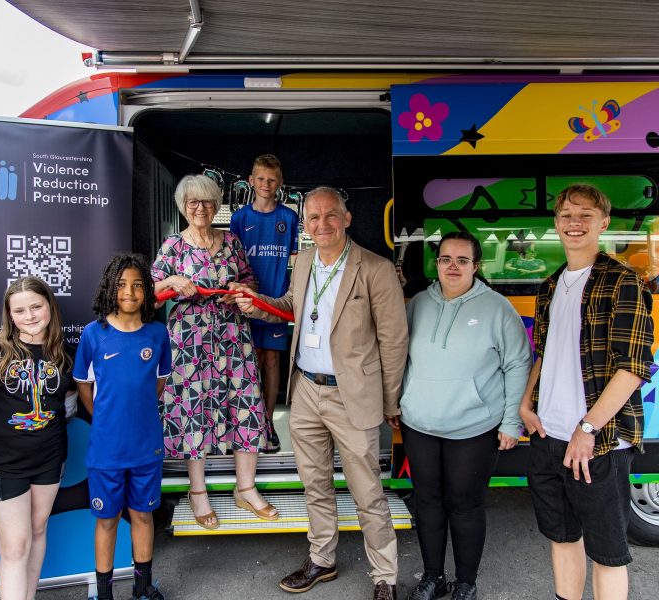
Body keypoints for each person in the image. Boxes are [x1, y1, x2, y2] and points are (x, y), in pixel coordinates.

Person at [236, 186, 408, 600]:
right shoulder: (307, 259)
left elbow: (394, 340)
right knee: (315, 485)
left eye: (330, 215)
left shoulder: (376, 268)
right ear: (306, 225)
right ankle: (322, 559)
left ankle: (384, 576)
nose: (322, 224)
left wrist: (389, 401)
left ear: (347, 219)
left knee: (367, 491)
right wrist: (257, 304)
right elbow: (292, 304)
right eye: (313, 218)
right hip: (307, 390)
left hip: (353, 395)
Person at [518, 184, 653, 600]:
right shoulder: (551, 285)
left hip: (599, 443)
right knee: (561, 538)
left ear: (603, 222)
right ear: (556, 223)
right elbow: (543, 350)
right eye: (567, 214)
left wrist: (588, 429)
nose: (574, 223)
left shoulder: (623, 282)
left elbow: (632, 368)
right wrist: (526, 401)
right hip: (548, 436)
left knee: (608, 552)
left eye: (585, 214)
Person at [400, 232, 532, 600]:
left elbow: (518, 364)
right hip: (420, 424)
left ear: (476, 266)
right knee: (427, 502)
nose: (453, 266)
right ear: (436, 264)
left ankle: (466, 584)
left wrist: (510, 422)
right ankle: (433, 577)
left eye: (462, 260)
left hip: (474, 429)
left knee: (465, 505)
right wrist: (397, 401)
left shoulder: (497, 308)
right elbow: (399, 358)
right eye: (445, 259)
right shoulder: (418, 304)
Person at [152, 174, 278, 531]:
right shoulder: (173, 246)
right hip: (189, 340)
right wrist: (172, 282)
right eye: (193, 202)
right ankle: (197, 493)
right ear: (183, 207)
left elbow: (251, 279)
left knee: (245, 402)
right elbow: (150, 288)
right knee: (195, 409)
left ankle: (246, 488)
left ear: (216, 204)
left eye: (207, 201)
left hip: (232, 334)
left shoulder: (232, 241)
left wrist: (239, 287)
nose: (200, 208)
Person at [0, 276, 76, 600]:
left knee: (38, 529)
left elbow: (69, 406)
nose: (29, 316)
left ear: (50, 307)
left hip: (49, 459)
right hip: (4, 463)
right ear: (9, 314)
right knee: (15, 545)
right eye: (20, 311)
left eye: (36, 307)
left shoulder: (64, 353)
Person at [74, 254, 171, 600]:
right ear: (109, 289)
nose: (129, 292)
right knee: (107, 521)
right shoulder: (93, 335)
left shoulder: (158, 334)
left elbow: (157, 385)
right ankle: (104, 594)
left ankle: (143, 588)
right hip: (107, 450)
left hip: (146, 446)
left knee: (144, 517)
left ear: (147, 291)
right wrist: (106, 417)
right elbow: (84, 387)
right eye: (121, 285)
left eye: (138, 285)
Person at [230, 154, 298, 452]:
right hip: (246, 303)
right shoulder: (240, 218)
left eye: (272, 179)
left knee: (271, 361)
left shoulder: (289, 218)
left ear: (280, 183)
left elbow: (296, 261)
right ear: (251, 181)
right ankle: (248, 423)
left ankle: (267, 423)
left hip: (276, 304)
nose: (266, 184)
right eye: (260, 179)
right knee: (249, 363)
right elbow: (231, 263)